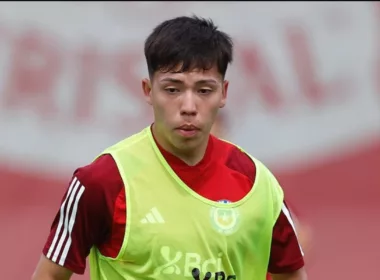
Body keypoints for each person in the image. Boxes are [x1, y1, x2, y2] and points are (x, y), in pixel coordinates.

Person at [32, 16, 307, 280]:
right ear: (147, 90)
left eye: (204, 90)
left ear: (223, 93)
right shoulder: (103, 181)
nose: (188, 107)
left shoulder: (257, 182)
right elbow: (50, 276)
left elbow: (292, 273)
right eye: (173, 89)